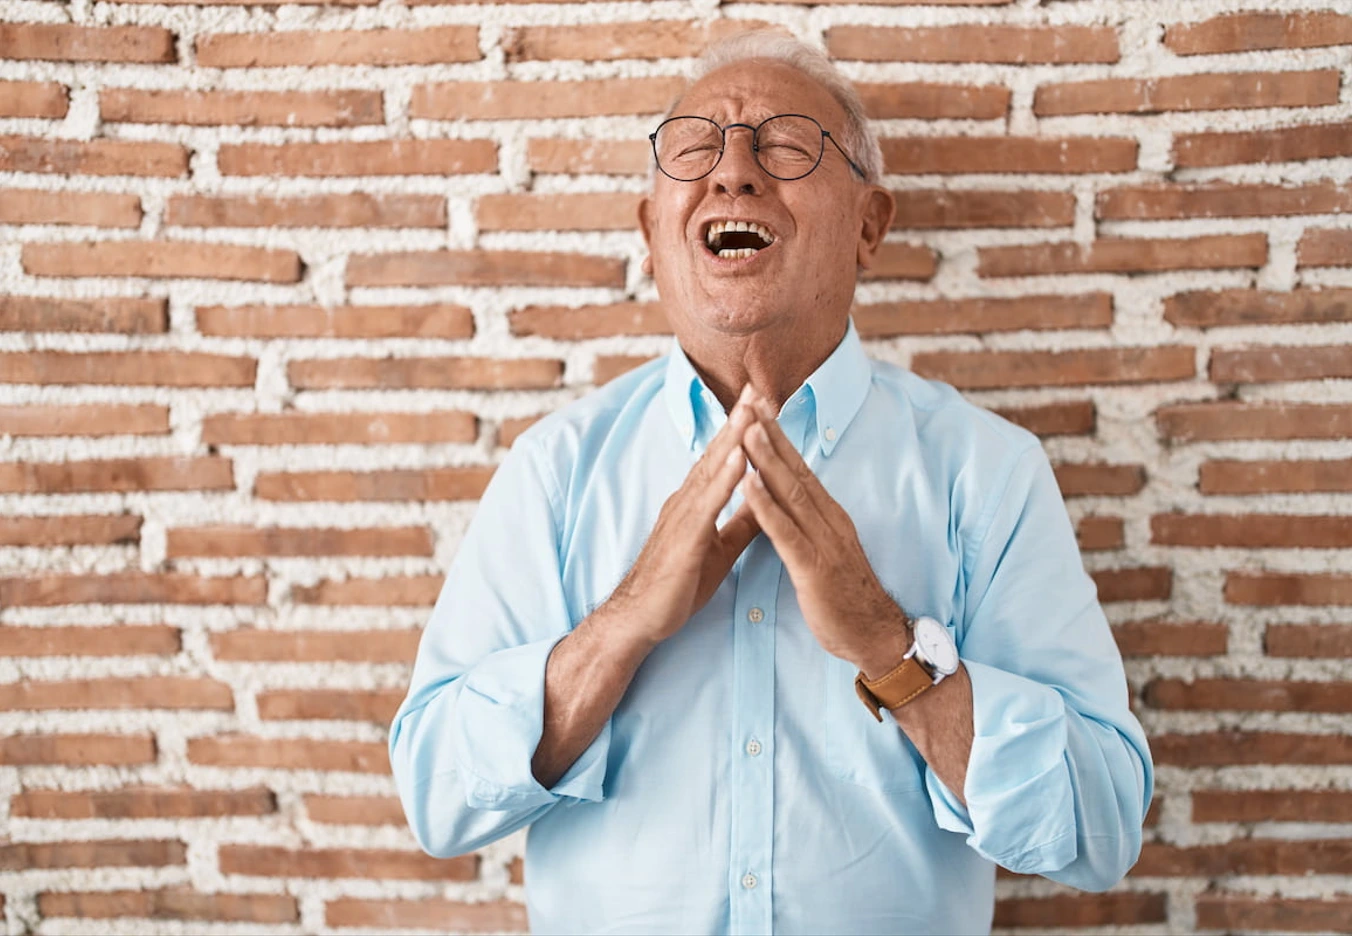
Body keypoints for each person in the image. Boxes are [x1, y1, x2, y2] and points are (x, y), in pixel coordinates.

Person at [389, 30, 1153, 936]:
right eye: (695, 148)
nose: (734, 174)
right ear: (650, 232)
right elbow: (439, 801)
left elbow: (1101, 828)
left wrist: (888, 645)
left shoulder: (985, 473)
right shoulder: (557, 468)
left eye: (787, 144)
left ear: (870, 225)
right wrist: (627, 619)